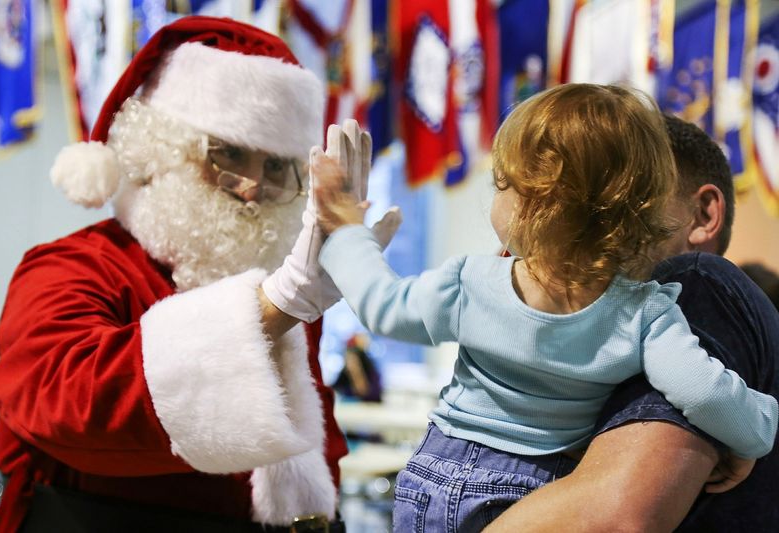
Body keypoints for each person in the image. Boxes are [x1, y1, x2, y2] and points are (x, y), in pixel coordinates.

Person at [0, 16, 401, 532]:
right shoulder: (76, 265)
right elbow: (64, 405)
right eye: (227, 152)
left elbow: (316, 443)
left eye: (277, 167)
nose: (252, 185)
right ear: (160, 148)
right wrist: (274, 310)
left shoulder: (287, 287)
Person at [312, 83, 778, 532]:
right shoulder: (645, 314)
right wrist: (749, 435)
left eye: (502, 182)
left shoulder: (471, 282)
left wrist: (346, 230)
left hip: (433, 476)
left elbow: (382, 305)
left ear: (535, 204)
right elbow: (702, 391)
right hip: (534, 492)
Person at [485, 113, 779, 532]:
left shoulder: (694, 282)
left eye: (622, 196)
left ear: (702, 214)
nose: (584, 219)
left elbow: (613, 519)